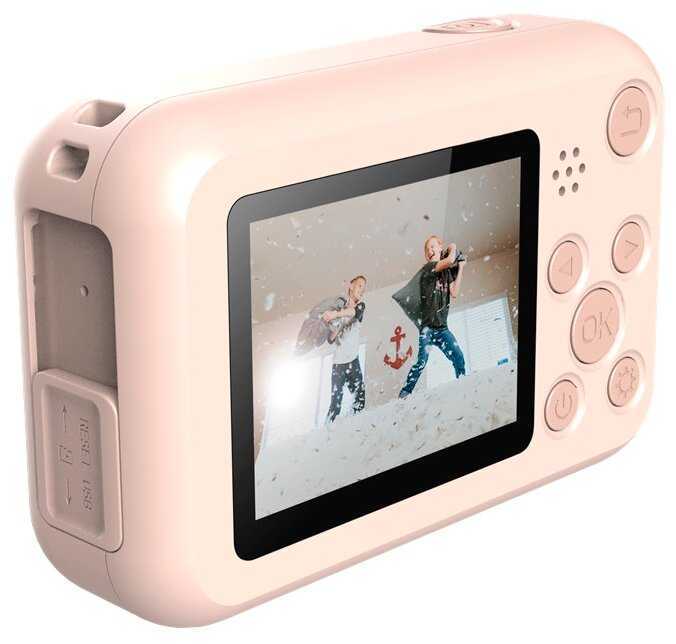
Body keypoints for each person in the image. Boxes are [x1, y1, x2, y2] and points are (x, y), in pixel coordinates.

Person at [398, 236, 466, 398]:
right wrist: (453, 246)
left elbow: (454, 292)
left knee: (458, 357)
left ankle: (463, 383)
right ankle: (404, 393)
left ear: (440, 247)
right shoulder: (428, 268)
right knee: (421, 362)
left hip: (442, 328)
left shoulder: (447, 272)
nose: (430, 250)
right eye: (427, 249)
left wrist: (461, 268)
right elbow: (450, 259)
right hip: (427, 329)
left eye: (433, 246)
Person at [323, 275, 367, 422]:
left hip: (353, 362)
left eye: (364, 288)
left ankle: (353, 426)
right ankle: (327, 429)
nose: (362, 290)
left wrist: (336, 315)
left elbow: (354, 312)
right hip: (338, 365)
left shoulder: (360, 306)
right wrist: (334, 321)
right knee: (335, 404)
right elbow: (330, 339)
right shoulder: (339, 310)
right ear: (351, 286)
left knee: (360, 400)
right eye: (359, 286)